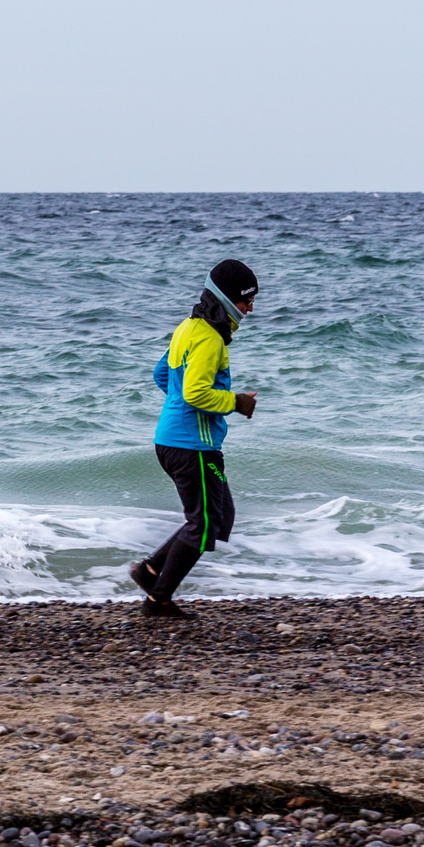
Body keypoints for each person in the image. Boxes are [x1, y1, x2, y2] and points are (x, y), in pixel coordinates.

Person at [130, 259, 260, 618]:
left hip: (172, 442)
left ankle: (151, 570)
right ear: (226, 299)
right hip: (193, 447)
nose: (251, 308)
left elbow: (162, 375)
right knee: (204, 526)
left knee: (219, 517)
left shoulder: (187, 328)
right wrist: (237, 402)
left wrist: (178, 412)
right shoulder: (209, 338)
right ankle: (159, 600)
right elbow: (194, 393)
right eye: (246, 300)